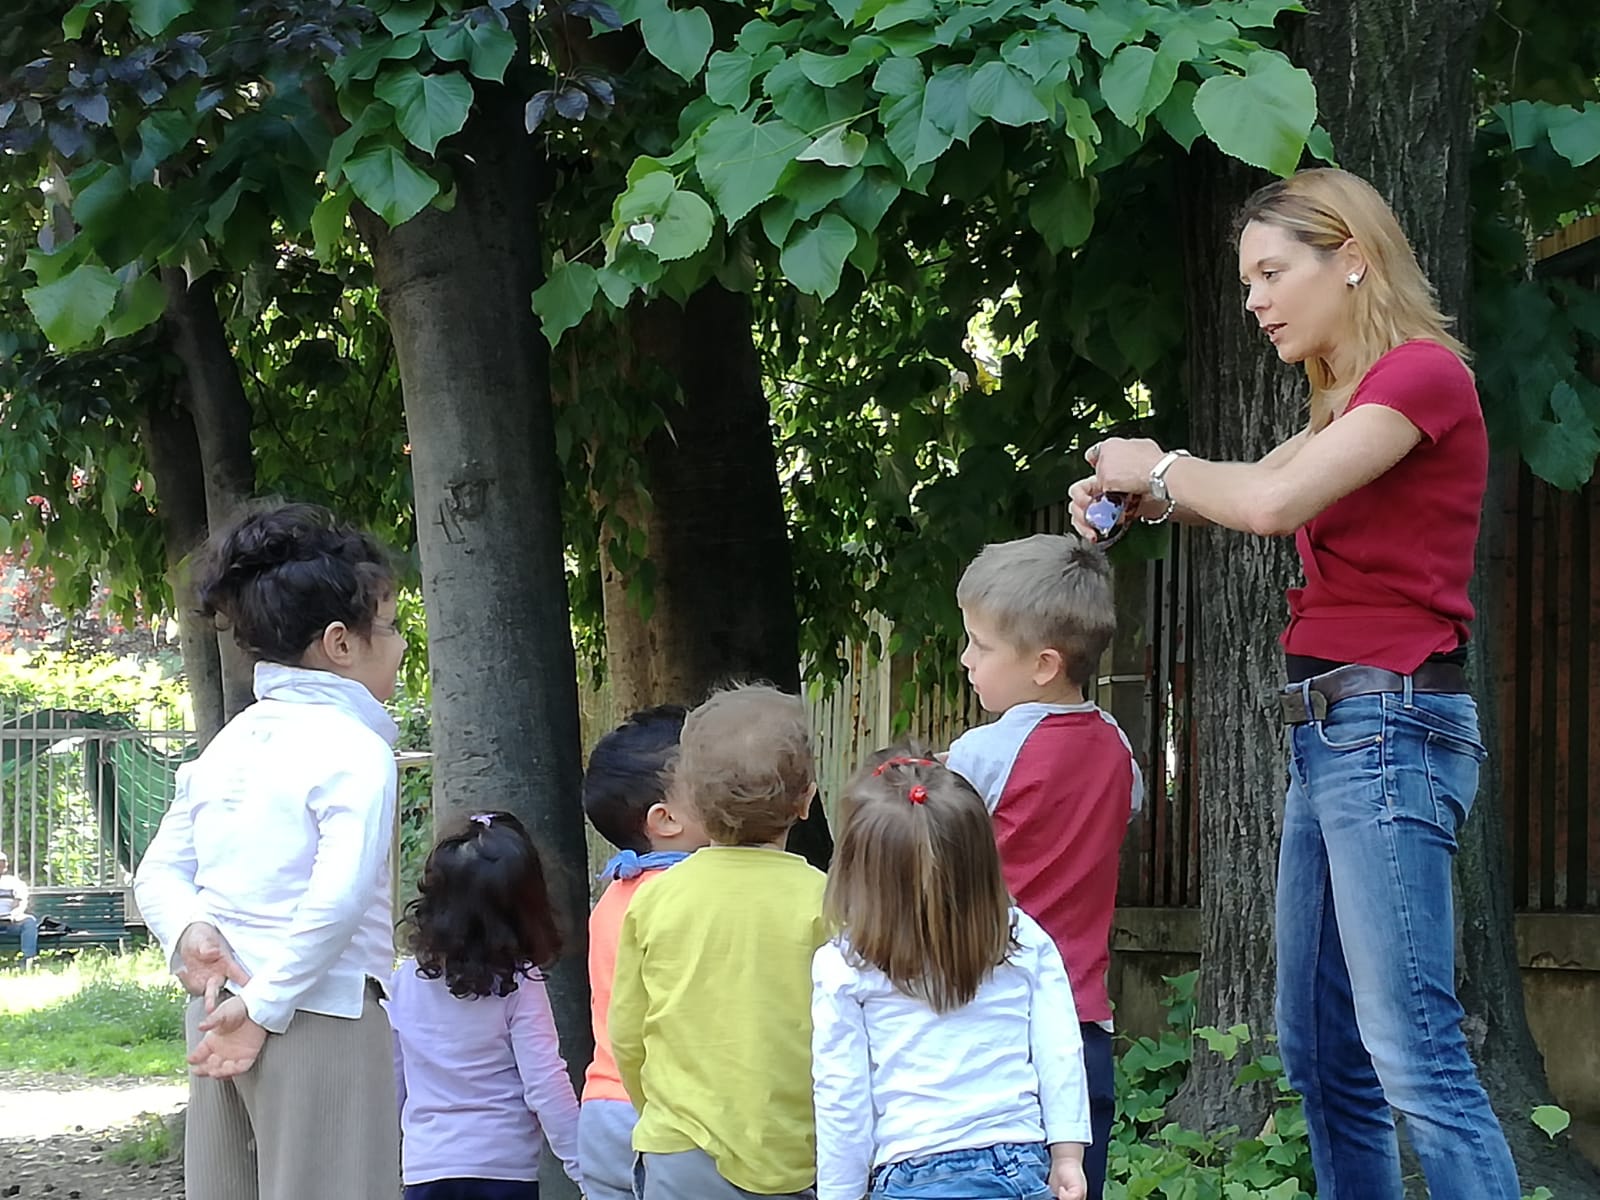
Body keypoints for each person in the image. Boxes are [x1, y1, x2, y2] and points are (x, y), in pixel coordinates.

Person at [1069, 167, 1519, 1199]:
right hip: (1333, 734)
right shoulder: (1347, 401)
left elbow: (1271, 503)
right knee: (1320, 1051)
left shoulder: (1420, 376)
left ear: (1351, 258)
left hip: (1388, 725)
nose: (1255, 299)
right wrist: (1149, 500)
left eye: (1273, 273)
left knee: (1413, 1056)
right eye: (1245, 281)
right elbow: (1252, 486)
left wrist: (1157, 464)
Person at [134, 502, 407, 1200]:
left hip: (219, 1012)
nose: (403, 646)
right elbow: (339, 894)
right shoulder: (355, 749)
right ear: (341, 643)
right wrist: (269, 1005)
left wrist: (191, 932)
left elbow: (160, 872)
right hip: (321, 1014)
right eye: (395, 627)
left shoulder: (232, 743)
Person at [944, 533, 1140, 1199]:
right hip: (1084, 1024)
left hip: (994, 1019)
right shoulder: (1117, 747)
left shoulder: (983, 753)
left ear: (1044, 664)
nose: (966, 659)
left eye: (982, 644)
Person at [812, 751, 1091, 1200]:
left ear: (855, 871)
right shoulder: (1020, 938)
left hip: (910, 1174)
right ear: (981, 861)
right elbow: (1059, 1050)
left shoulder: (843, 964)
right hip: (1017, 1167)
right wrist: (1067, 1155)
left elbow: (842, 1096)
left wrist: (839, 1193)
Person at [609, 684, 827, 1200]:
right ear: (806, 801)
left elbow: (627, 1033)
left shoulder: (655, 900)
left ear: (696, 805)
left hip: (680, 1149)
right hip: (795, 1154)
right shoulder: (828, 902)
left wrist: (657, 1113)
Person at [389, 811, 583, 1200]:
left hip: (426, 1168)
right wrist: (583, 1166)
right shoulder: (518, 983)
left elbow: (396, 1077)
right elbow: (545, 1083)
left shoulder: (404, 980)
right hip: (502, 1170)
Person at [578, 705, 708, 1200]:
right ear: (666, 819)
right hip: (665, 1112)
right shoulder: (691, 895)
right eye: (711, 777)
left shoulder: (614, 894)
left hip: (602, 1107)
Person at [0, 851, 39, 967]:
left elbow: (21, 902)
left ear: (6, 866)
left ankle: (28, 960)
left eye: (2, 863)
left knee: (29, 922)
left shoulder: (14, 882)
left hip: (10, 922)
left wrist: (15, 914)